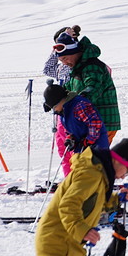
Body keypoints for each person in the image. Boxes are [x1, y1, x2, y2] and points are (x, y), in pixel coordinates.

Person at [35, 138, 128, 256]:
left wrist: (117, 200)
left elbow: (94, 203)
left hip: (71, 245)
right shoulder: (91, 174)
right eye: (127, 171)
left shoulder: (99, 174)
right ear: (119, 161)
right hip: (57, 244)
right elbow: (68, 205)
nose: (124, 177)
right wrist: (83, 230)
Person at [55, 33, 121, 144]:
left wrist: (76, 105)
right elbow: (68, 90)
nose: (65, 63)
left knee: (94, 158)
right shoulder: (78, 67)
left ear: (74, 52)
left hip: (102, 120)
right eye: (61, 61)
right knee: (87, 158)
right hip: (90, 120)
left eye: (65, 58)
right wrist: (55, 97)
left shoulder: (92, 66)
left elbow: (92, 88)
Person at [43, 83, 110, 176]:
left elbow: (95, 123)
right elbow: (71, 129)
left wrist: (89, 140)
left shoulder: (79, 105)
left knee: (93, 174)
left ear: (60, 101)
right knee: (81, 173)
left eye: (54, 107)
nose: (55, 111)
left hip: (97, 147)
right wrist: (71, 138)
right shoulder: (63, 112)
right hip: (83, 148)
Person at [43, 25, 81, 177]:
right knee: (62, 147)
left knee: (72, 148)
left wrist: (69, 38)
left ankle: (78, 180)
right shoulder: (59, 67)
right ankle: (69, 178)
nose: (60, 57)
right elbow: (47, 69)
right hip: (60, 112)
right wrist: (55, 51)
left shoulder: (75, 63)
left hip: (73, 109)